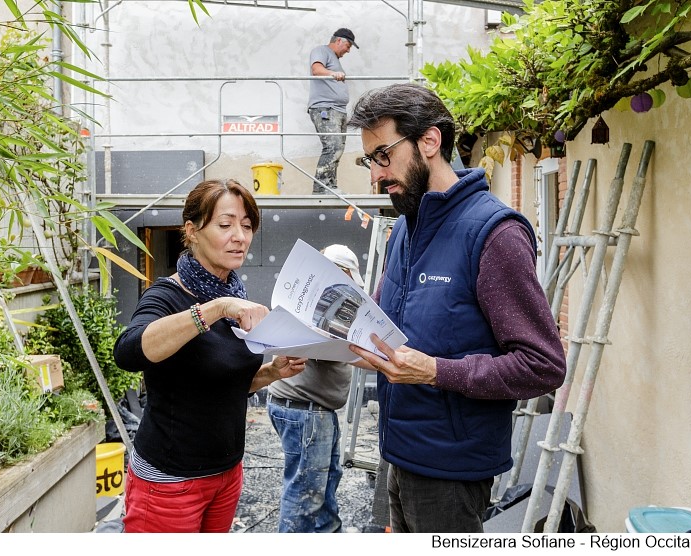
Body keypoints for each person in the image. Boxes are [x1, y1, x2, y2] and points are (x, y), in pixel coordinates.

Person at [346, 83, 567, 533]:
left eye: (383, 155)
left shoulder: (494, 234)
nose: (375, 175)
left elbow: (542, 366)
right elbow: (387, 316)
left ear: (430, 141)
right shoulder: (405, 231)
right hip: (398, 454)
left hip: (450, 475)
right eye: (370, 160)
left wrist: (434, 371)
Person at [113, 179, 307, 533]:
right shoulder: (169, 296)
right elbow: (128, 351)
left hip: (226, 474)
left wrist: (272, 373)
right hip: (171, 479)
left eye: (247, 226)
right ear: (192, 231)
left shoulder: (235, 293)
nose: (240, 236)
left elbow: (222, 382)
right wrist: (215, 309)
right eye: (225, 224)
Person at [266, 244, 365, 533]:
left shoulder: (321, 301)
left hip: (312, 410)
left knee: (324, 485)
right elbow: (344, 349)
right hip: (305, 411)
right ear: (338, 271)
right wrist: (390, 360)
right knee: (304, 497)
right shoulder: (314, 303)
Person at [307, 28, 358, 194]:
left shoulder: (334, 58)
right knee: (332, 146)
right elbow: (316, 69)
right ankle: (321, 188)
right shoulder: (322, 51)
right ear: (339, 41)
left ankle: (330, 186)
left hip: (337, 110)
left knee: (338, 148)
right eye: (348, 46)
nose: (348, 50)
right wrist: (333, 73)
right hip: (325, 109)